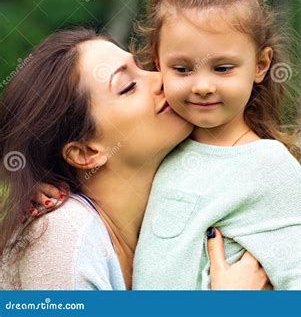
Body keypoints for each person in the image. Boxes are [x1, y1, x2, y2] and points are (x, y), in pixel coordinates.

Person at [0, 28, 269, 290]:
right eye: (129, 87)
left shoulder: (176, 217)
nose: (161, 78)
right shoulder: (61, 236)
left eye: (143, 67)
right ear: (86, 153)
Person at [131, 0, 301, 290]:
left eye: (223, 68)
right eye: (182, 69)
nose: (203, 85)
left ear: (261, 65)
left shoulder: (270, 167)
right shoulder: (156, 146)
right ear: (158, 64)